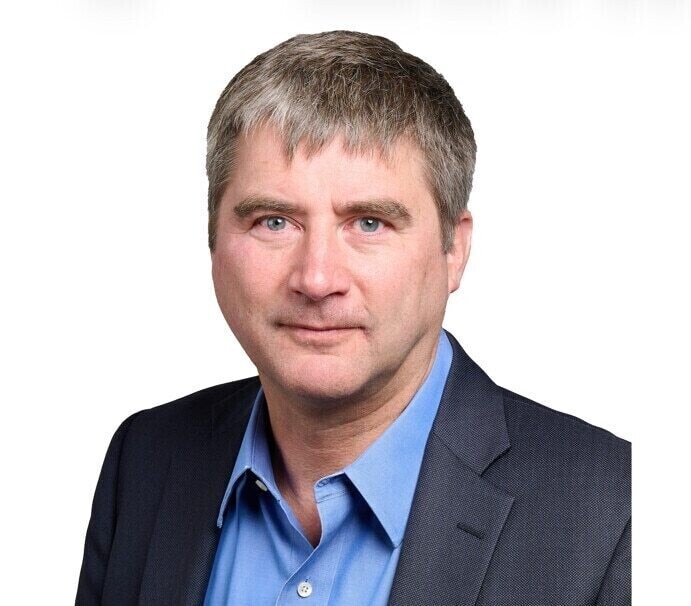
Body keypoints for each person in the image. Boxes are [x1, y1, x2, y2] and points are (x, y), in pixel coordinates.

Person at [76, 31, 631, 606]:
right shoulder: (145, 459)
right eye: (273, 221)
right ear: (212, 236)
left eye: (369, 223)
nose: (316, 279)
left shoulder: (615, 512)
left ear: (454, 249)